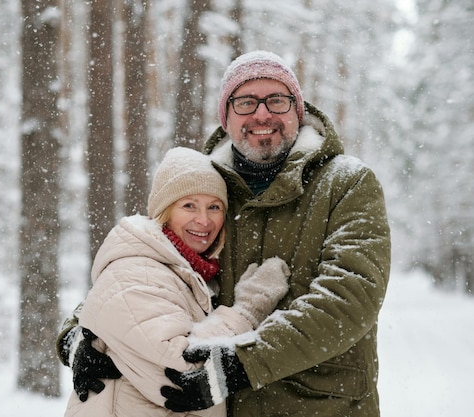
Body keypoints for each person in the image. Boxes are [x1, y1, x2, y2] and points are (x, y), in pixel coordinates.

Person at [58, 50, 391, 417]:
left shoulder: (345, 183)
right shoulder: (209, 189)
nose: (262, 114)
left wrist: (240, 364)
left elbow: (350, 296)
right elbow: (148, 261)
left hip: (322, 407)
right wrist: (81, 333)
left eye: (276, 101)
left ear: (298, 111)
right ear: (226, 117)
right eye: (245, 102)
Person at [62, 147, 291, 417]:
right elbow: (186, 373)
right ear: (164, 212)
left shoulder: (187, 273)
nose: (204, 220)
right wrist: (247, 311)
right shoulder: (138, 270)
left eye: (214, 207)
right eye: (188, 205)